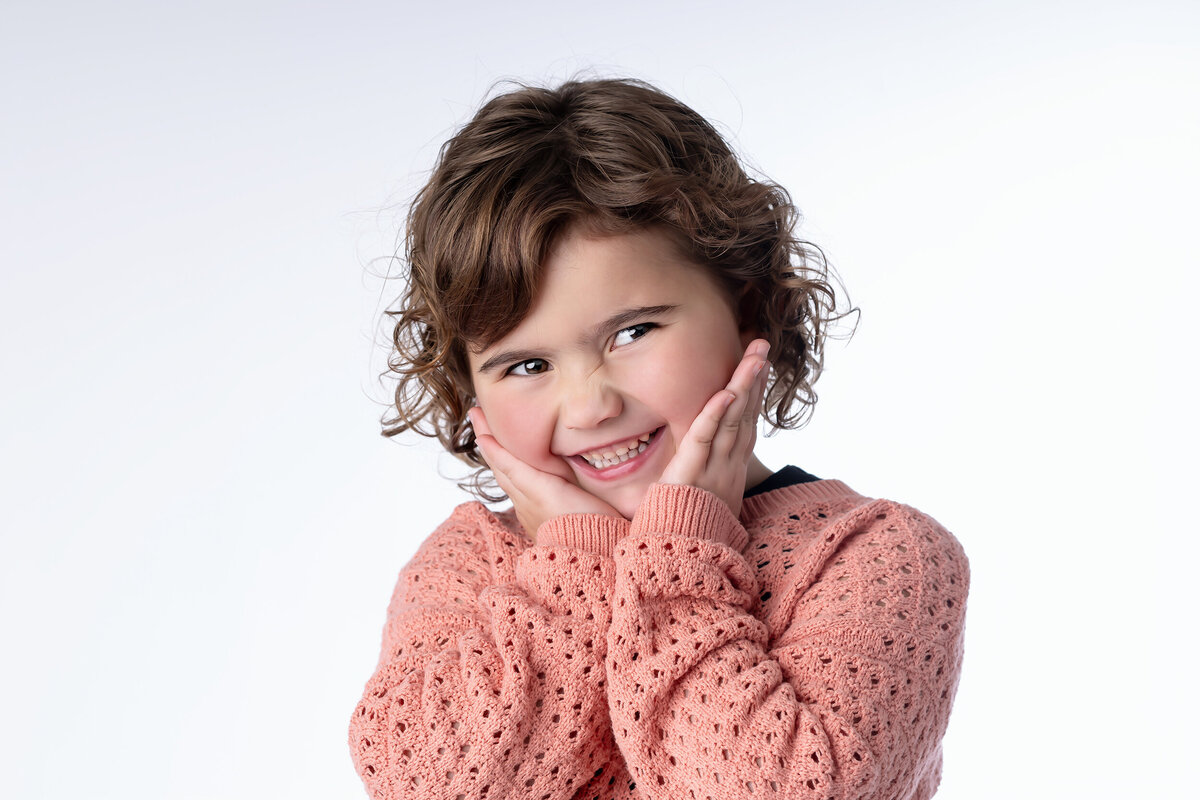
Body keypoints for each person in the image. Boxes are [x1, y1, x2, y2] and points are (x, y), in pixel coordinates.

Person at [349, 77, 969, 800]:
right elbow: (426, 788)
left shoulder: (874, 554)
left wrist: (682, 561)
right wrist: (572, 567)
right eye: (526, 365)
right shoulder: (469, 568)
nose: (588, 405)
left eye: (633, 332)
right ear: (469, 390)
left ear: (747, 305)